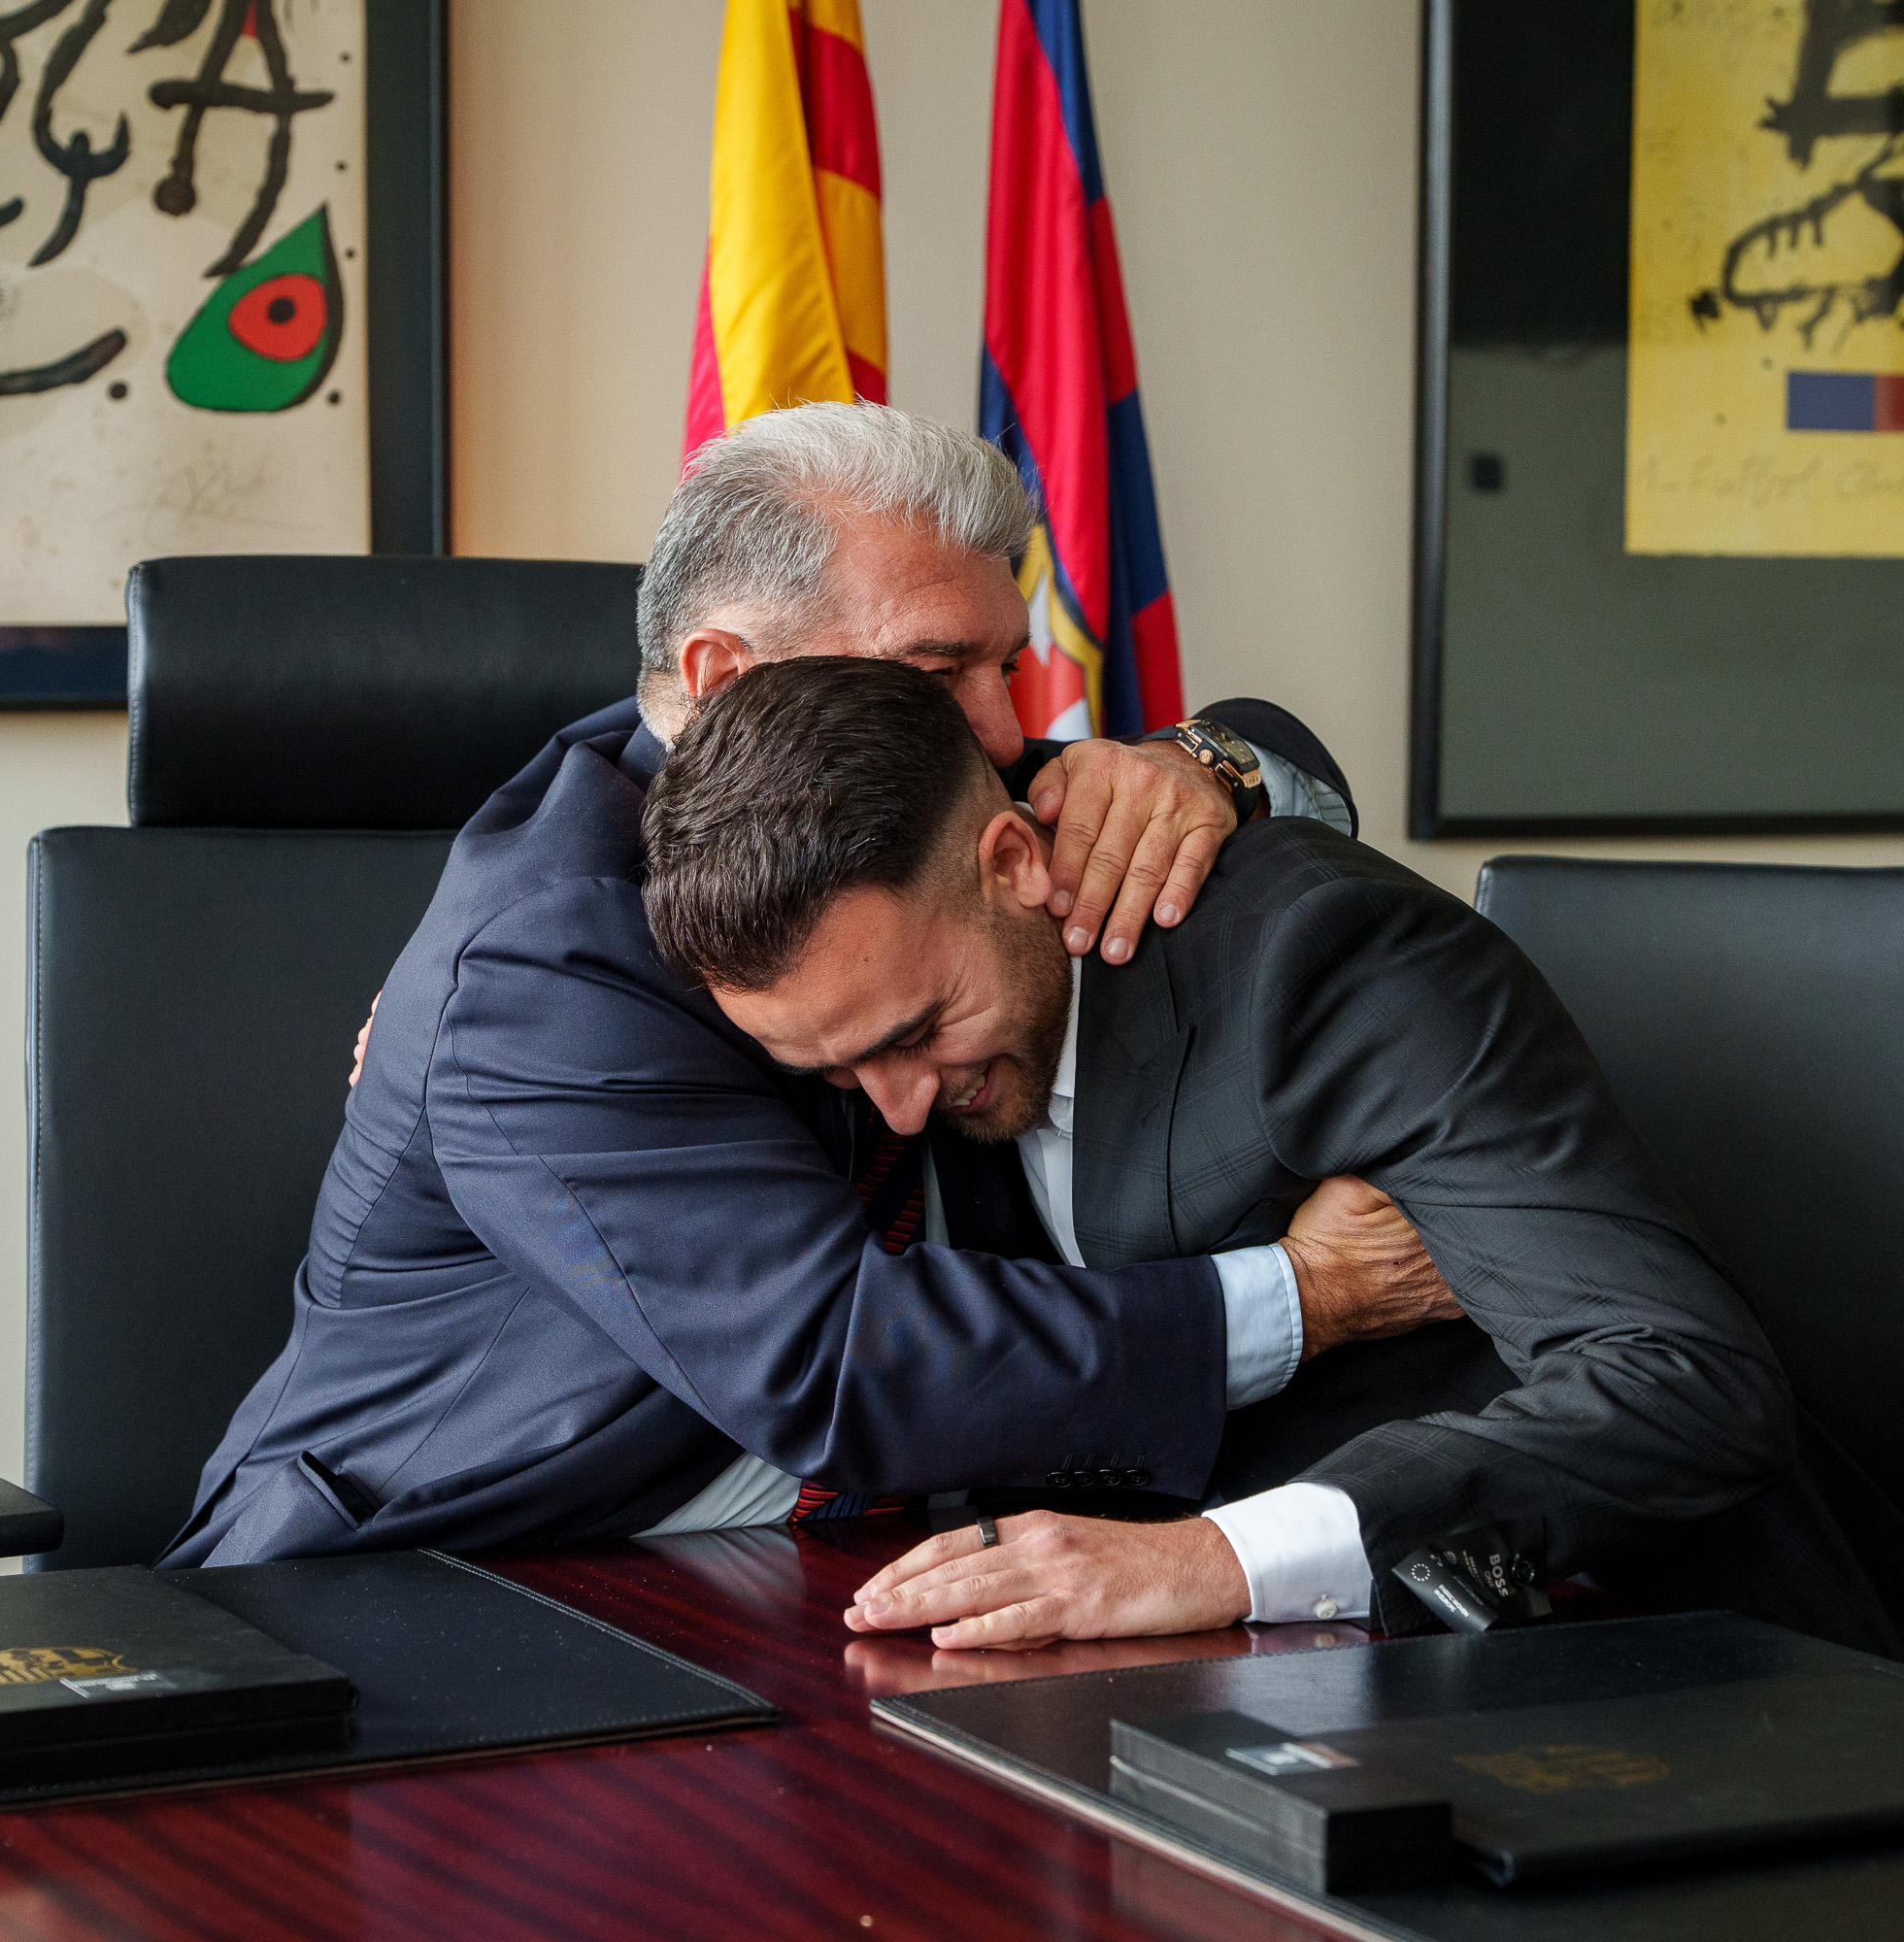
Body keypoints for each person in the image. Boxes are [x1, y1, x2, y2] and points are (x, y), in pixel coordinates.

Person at [162, 403, 1464, 1567]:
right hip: (463, 1582)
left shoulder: (918, 795)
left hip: (858, 1550)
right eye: (939, 670)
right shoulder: (541, 969)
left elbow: (1266, 766)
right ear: (727, 680)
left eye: (1007, 664)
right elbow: (843, 1364)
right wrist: (1314, 1294)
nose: (1008, 734)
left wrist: (1206, 764)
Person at [642, 653, 1904, 1663]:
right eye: (836, 1073)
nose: (891, 1110)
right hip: (1300, 1698)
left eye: (918, 1032)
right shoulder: (913, 1052)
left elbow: (1687, 1386)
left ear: (1012, 864)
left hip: (1680, 1676)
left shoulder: (1320, 963)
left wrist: (1219, 1557)